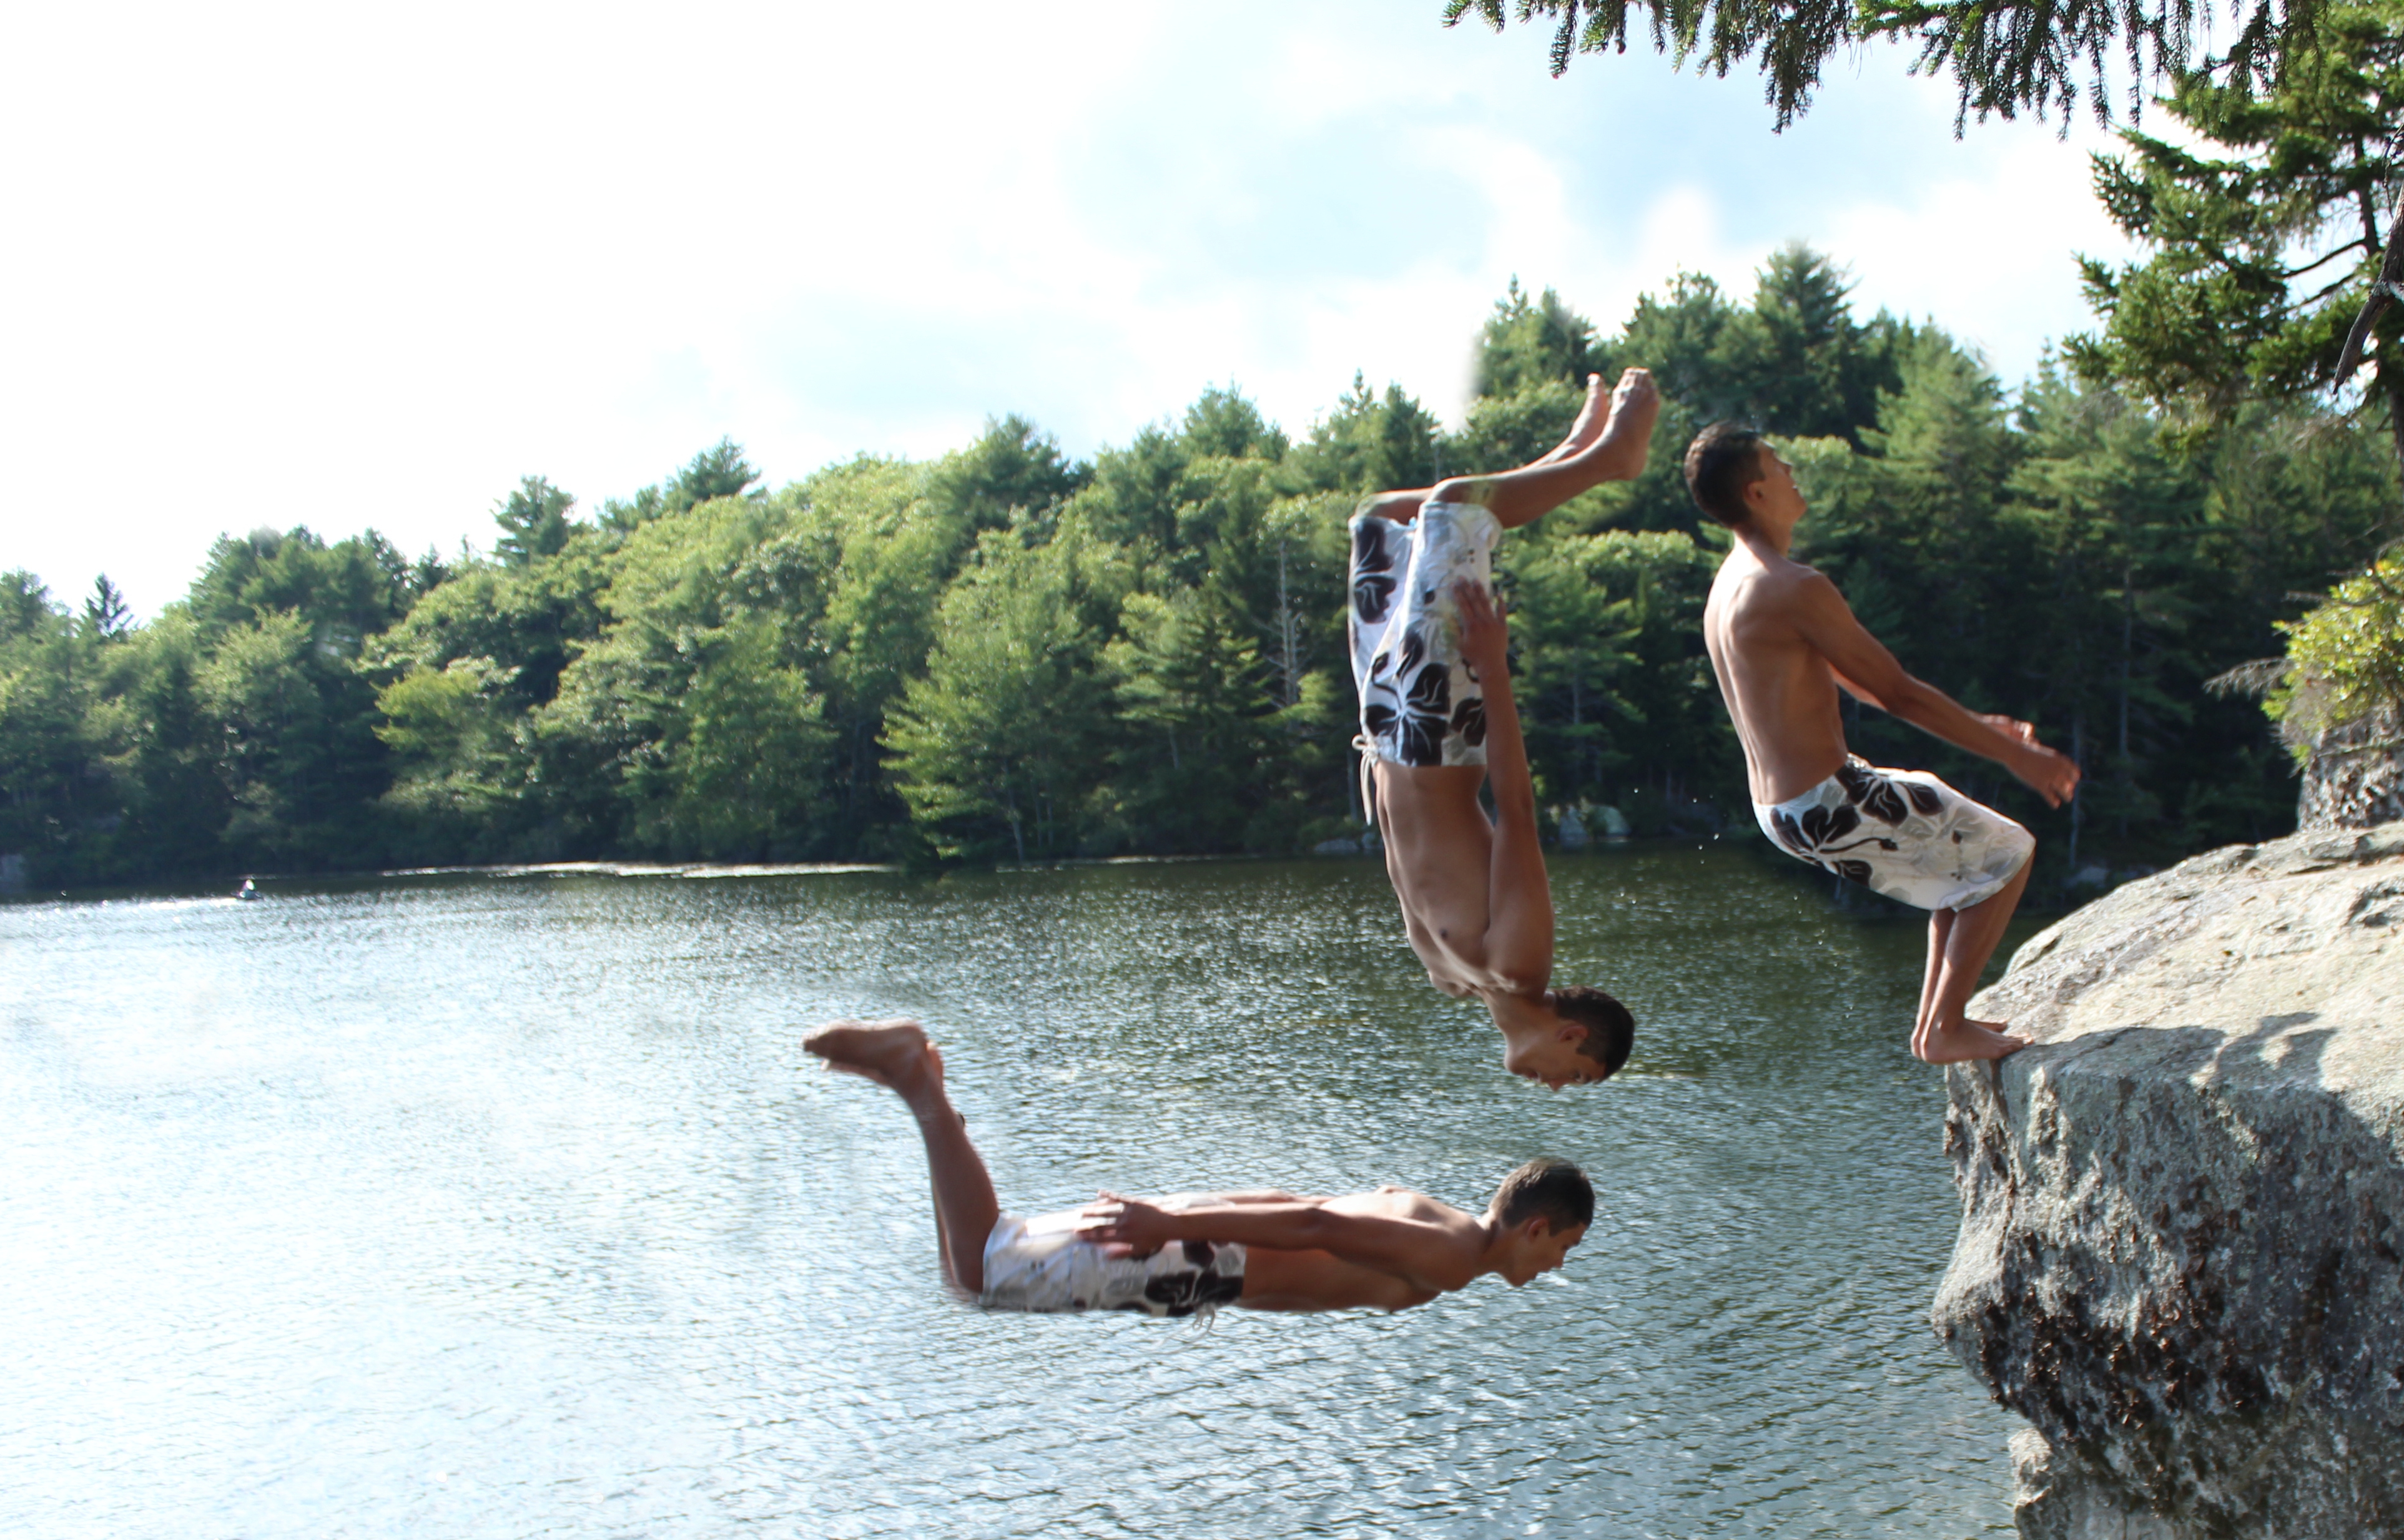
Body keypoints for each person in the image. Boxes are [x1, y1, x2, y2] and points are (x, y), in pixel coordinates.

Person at [1687, 422, 2084, 1064]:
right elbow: (1898, 693)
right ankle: (1944, 1029)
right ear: (1757, 493)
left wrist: (1984, 725)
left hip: (1785, 812)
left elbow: (1864, 685)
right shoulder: (1792, 585)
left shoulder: (1730, 586)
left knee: (1961, 860)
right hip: (1830, 800)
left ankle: (1937, 1028)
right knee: (2010, 854)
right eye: (1779, 463)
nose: (1792, 470)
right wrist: (2014, 754)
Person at [801, 1021, 1594, 1315]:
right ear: (1535, 1227)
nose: (1557, 1263)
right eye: (1565, 1246)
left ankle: (930, 1106)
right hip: (1205, 1258)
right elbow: (1316, 1223)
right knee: (984, 1274)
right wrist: (1174, 1225)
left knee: (973, 1271)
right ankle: (918, 1084)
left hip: (1208, 1251)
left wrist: (1194, 1213)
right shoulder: (1453, 1258)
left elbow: (1303, 1206)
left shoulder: (1433, 1215)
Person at [1347, 371, 1656, 1088]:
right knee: (1455, 505)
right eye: (1573, 1074)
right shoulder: (1519, 963)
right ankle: (1606, 459)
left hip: (1384, 730)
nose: (1554, 1087)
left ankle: (1571, 452)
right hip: (1437, 730)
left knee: (1382, 520)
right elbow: (1516, 810)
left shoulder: (1459, 982)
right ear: (1572, 1033)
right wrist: (1492, 666)